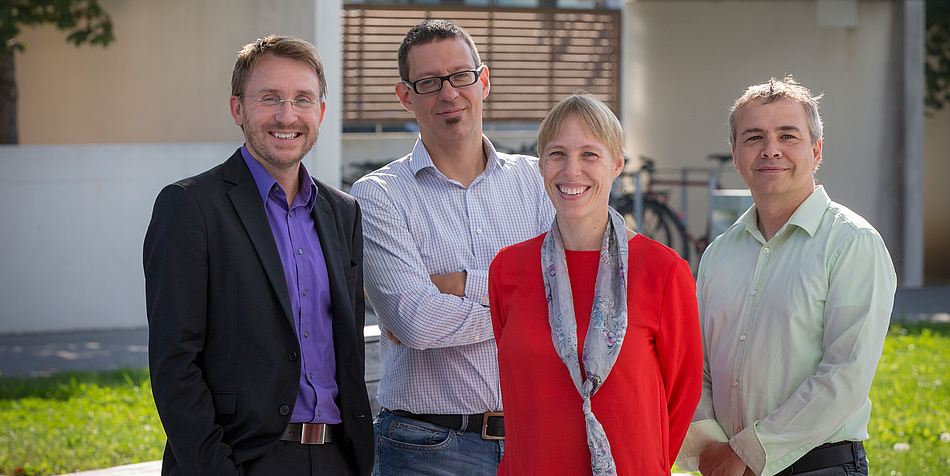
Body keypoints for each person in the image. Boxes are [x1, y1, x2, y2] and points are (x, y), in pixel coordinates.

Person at [144, 35, 374, 476]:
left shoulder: (342, 213)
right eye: (270, 98)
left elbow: (347, 353)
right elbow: (175, 364)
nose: (287, 116)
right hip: (242, 460)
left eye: (302, 100)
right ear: (237, 109)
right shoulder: (190, 207)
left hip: (335, 458)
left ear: (320, 112)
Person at [349, 19, 555, 475]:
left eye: (461, 76)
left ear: (483, 81)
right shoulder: (377, 196)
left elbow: (570, 299)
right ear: (406, 96)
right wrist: (528, 301)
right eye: (428, 82)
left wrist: (461, 285)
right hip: (425, 447)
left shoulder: (539, 183)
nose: (448, 93)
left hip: (537, 440)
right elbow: (417, 323)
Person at [675, 76, 897, 476]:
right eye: (754, 137)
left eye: (787, 135)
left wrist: (748, 452)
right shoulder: (718, 254)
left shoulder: (852, 244)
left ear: (816, 150)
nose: (770, 149)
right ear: (736, 153)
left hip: (819, 467)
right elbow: (697, 367)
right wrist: (711, 449)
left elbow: (845, 376)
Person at [488, 93, 703, 475]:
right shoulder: (508, 269)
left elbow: (683, 394)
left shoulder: (663, 270)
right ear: (541, 165)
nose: (572, 170)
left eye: (590, 154)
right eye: (557, 154)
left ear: (617, 164)